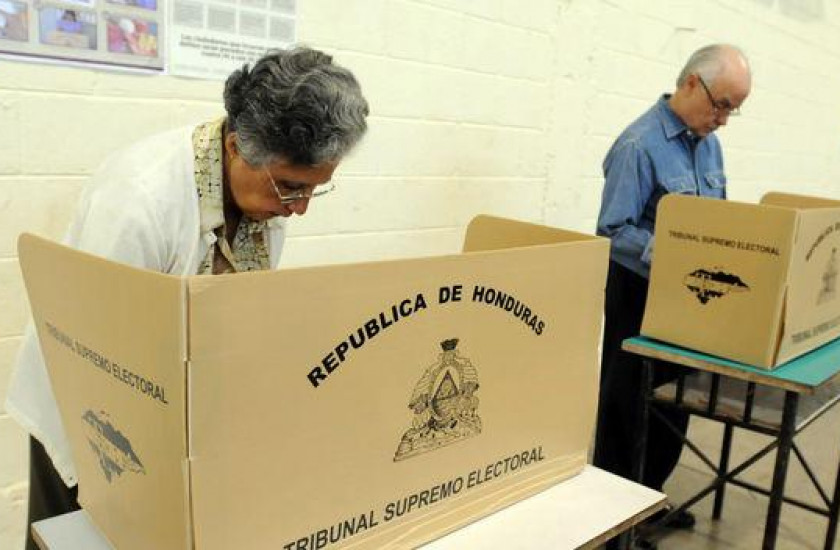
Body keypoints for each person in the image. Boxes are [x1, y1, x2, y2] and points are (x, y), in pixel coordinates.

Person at [4, 46, 369, 550]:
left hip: (166, 404)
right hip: (83, 400)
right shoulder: (139, 200)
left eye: (314, 190)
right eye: (290, 188)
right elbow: (95, 355)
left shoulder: (265, 203)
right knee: (73, 534)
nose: (300, 208)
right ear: (239, 145)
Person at [593, 44, 751, 545]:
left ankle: (648, 499)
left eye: (733, 109)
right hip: (639, 296)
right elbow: (611, 231)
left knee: (672, 409)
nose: (723, 120)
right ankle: (613, 521)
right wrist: (676, 252)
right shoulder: (638, 145)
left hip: (690, 298)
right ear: (689, 84)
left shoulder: (709, 143)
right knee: (627, 409)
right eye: (721, 104)